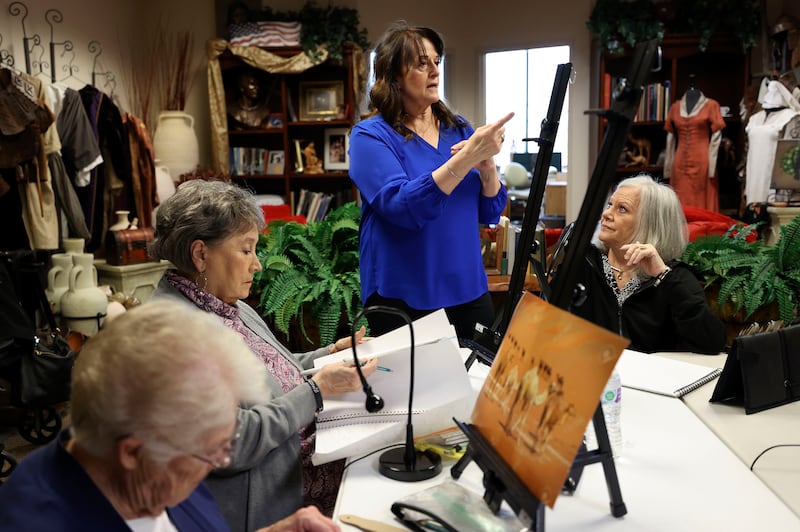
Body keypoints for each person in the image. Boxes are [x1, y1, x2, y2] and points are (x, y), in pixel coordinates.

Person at [148, 179, 375, 531]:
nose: (258, 265)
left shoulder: (223, 303)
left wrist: (328, 353)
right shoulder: (173, 335)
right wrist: (316, 391)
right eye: (246, 250)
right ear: (200, 254)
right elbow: (232, 444)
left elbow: (274, 370)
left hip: (306, 458)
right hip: (271, 499)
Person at [0, 301, 340, 532]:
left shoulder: (156, 468)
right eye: (213, 450)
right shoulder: (37, 520)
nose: (221, 460)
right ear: (133, 452)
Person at [348, 20, 514, 339]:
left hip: (468, 290)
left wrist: (488, 165)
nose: (435, 70)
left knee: (477, 384)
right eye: (422, 64)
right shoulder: (369, 137)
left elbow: (490, 212)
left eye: (437, 61)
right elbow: (404, 207)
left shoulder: (460, 128)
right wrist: (465, 158)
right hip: (403, 298)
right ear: (394, 75)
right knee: (413, 389)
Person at [571, 174, 726, 354]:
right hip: (591, 373)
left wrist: (663, 276)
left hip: (650, 378)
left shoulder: (674, 276)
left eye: (622, 209)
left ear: (649, 223)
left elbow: (713, 343)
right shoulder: (584, 261)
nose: (606, 214)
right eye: (610, 205)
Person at [663, 77, 726, 212]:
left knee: (702, 199)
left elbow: (716, 134)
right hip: (679, 161)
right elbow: (670, 137)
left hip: (702, 160)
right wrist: (668, 166)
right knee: (679, 197)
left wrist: (712, 164)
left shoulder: (711, 105)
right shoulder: (675, 107)